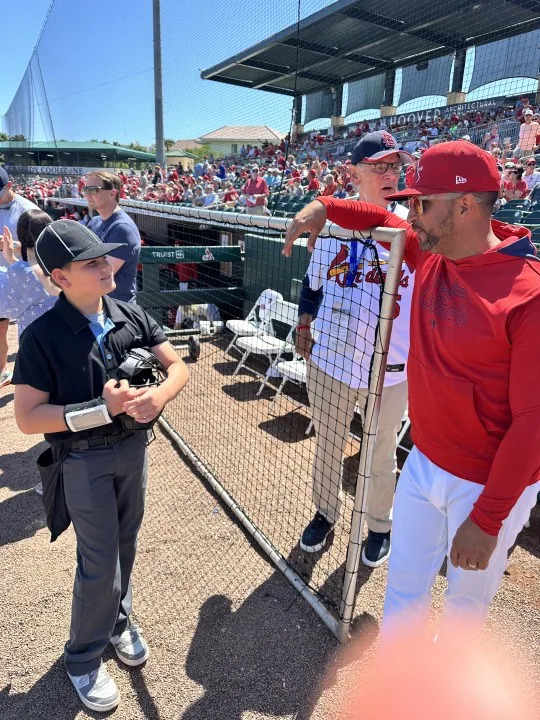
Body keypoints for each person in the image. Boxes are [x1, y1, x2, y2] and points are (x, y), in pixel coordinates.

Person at [283, 141, 540, 635]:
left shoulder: (528, 294)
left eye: (422, 201)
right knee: (402, 597)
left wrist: (488, 520)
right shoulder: (430, 249)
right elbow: (367, 214)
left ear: (465, 206)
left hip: (486, 480)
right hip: (423, 462)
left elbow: (533, 423)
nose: (409, 211)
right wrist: (320, 207)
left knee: (464, 615)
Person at [13, 220, 189, 712]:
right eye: (91, 262)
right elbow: (27, 418)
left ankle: (115, 622)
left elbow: (178, 366)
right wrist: (100, 409)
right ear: (61, 277)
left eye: (105, 257)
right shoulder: (42, 335)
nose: (106, 265)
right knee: (100, 561)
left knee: (125, 544)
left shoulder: (127, 311)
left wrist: (158, 397)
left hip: (133, 450)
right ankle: (83, 658)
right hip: (83, 459)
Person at [296, 131, 413, 567]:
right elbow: (312, 284)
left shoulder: (412, 224)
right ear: (353, 173)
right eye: (379, 165)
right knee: (327, 443)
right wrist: (305, 320)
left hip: (390, 367)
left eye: (394, 165)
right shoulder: (330, 228)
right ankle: (326, 514)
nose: (390, 174)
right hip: (331, 357)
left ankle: (380, 525)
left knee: (380, 454)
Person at [0, 166, 40, 388]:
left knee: (29, 329)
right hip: (1, 278)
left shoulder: (27, 210)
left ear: (9, 186)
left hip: (22, 279)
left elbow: (42, 248)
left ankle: (33, 379)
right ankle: (1, 372)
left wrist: (12, 247)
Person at [84, 171, 141, 303]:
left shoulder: (122, 228)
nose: (87, 194)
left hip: (118, 309)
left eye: (93, 190)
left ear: (112, 193)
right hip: (98, 305)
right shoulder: (94, 222)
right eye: (85, 189)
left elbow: (101, 275)